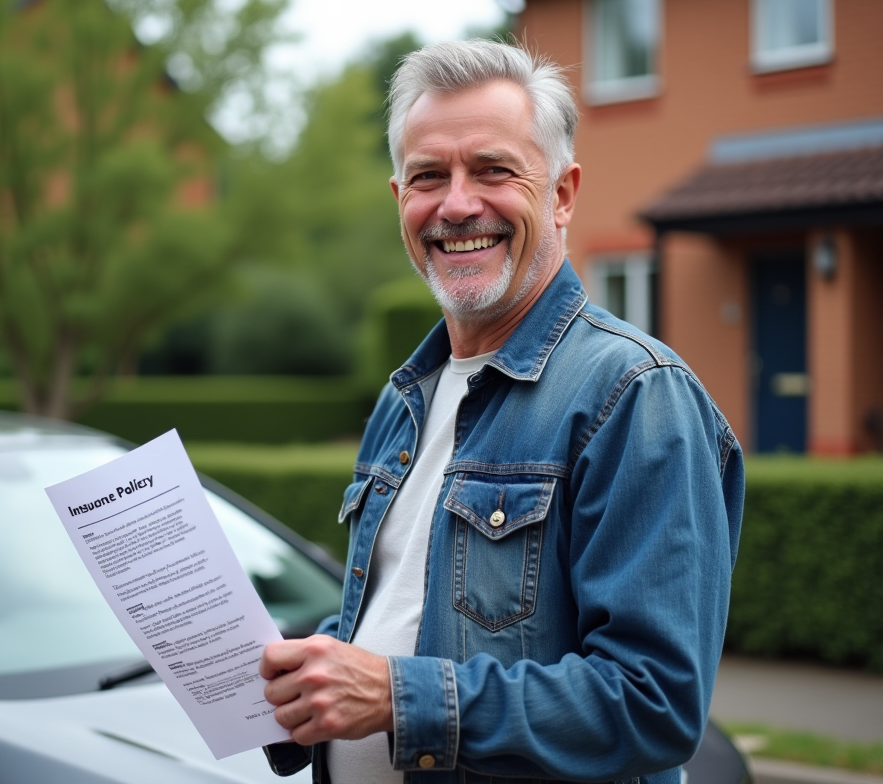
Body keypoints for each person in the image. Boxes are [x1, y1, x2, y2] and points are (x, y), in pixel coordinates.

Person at [258, 39, 744, 784]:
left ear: (562, 194)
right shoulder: (404, 398)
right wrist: (300, 670)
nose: (456, 205)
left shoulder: (635, 395)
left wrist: (395, 695)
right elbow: (406, 615)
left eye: (493, 170)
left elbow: (654, 703)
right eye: (428, 176)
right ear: (400, 200)